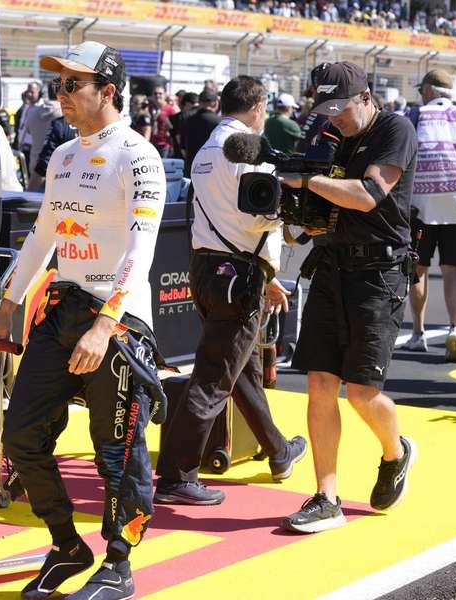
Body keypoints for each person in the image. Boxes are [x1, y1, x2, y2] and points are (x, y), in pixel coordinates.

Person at [0, 41, 167, 600]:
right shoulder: (63, 155)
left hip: (119, 324)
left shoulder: (139, 155)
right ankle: (66, 544)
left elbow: (142, 248)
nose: (61, 96)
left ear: (108, 91)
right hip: (61, 315)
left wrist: (106, 324)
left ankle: (119, 562)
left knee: (117, 452)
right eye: (58, 85)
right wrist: (2, 313)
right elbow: (40, 240)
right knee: (24, 436)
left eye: (72, 85)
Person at [154, 76, 307, 507]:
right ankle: (176, 475)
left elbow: (224, 218)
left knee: (241, 368)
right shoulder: (251, 153)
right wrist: (287, 219)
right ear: (258, 107)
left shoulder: (204, 151)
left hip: (206, 267)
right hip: (237, 274)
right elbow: (258, 215)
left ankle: (277, 450)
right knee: (214, 377)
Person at [282, 61, 418, 533]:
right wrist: (297, 217)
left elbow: (367, 195)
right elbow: (324, 208)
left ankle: (395, 450)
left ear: (366, 96)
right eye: (324, 110)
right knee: (319, 383)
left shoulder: (395, 128)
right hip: (333, 266)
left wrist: (305, 181)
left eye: (339, 109)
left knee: (362, 393)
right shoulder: (329, 134)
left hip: (379, 274)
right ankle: (326, 496)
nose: (332, 118)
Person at [403, 70, 456, 361]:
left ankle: (418, 332)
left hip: (419, 206)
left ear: (428, 90)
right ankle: (455, 328)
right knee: (453, 270)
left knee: (418, 269)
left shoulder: (413, 117)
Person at [24, 82, 62, 190]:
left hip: (35, 169)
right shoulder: (65, 114)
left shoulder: (33, 113)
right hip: (59, 172)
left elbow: (28, 132)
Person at [30, 113, 78, 191]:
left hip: (65, 190)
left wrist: (29, 193)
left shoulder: (61, 124)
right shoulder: (61, 124)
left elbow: (44, 165)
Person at [180, 88, 221, 174]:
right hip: (211, 168)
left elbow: (182, 147)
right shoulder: (219, 122)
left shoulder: (188, 120)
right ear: (215, 103)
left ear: (199, 102)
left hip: (191, 166)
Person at [170, 91, 199, 160]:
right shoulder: (181, 117)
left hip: (182, 154)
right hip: (192, 154)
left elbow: (175, 137)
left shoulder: (177, 117)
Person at [149, 85, 175, 157]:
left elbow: (174, 128)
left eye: (160, 93)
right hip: (152, 143)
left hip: (165, 144)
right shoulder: (149, 108)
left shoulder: (170, 109)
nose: (157, 95)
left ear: (165, 95)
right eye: (155, 93)